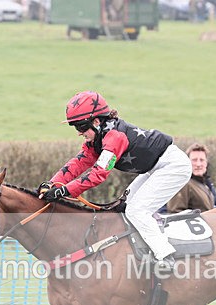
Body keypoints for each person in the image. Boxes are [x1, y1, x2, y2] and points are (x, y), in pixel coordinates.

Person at [39, 91, 191, 272]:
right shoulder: (98, 136)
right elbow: (79, 162)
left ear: (96, 121)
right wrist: (53, 183)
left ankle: (166, 256)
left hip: (173, 166)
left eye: (81, 127)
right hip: (154, 168)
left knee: (137, 210)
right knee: (124, 206)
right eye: (75, 128)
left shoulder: (114, 137)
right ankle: (141, 249)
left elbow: (97, 174)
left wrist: (64, 191)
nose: (79, 133)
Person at [165, 143, 216, 305]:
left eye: (202, 160)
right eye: (194, 160)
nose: (198, 164)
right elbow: (175, 213)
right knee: (186, 300)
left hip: (202, 247)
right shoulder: (184, 183)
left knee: (197, 300)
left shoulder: (204, 184)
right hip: (188, 248)